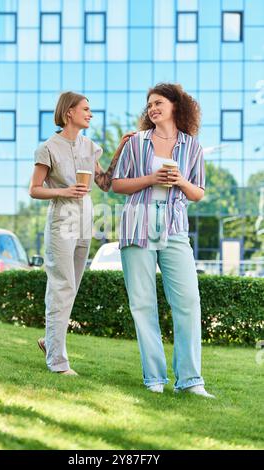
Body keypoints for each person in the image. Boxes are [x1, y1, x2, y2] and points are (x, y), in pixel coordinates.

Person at [112, 83, 215, 398]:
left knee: (187, 302)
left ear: (175, 105)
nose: (152, 109)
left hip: (175, 229)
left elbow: (198, 192)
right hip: (137, 224)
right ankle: (154, 378)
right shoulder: (135, 143)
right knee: (142, 304)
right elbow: (117, 184)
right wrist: (151, 179)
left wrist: (180, 180)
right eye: (149, 105)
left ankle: (190, 380)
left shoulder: (192, 146)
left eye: (158, 103)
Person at [29, 91, 133, 375]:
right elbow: (34, 189)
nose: (90, 114)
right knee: (61, 286)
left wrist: (120, 149)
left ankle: (51, 342)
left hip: (85, 222)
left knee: (70, 289)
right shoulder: (48, 148)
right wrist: (64, 190)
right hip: (62, 221)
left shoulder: (90, 146)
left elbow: (104, 183)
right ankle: (58, 362)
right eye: (85, 109)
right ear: (69, 113)